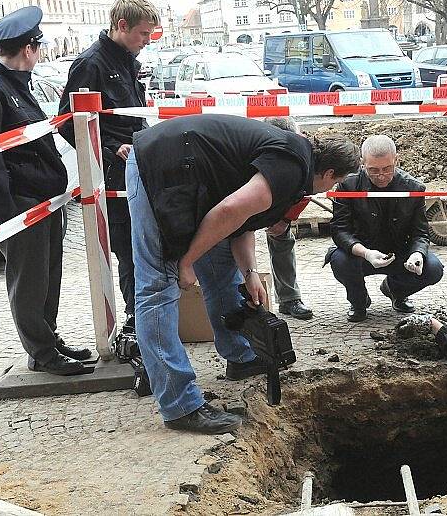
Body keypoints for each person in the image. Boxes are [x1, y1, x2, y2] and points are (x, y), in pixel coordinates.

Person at [126, 114, 360, 434]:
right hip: (159, 167)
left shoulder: (293, 159)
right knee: (159, 286)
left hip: (189, 171)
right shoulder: (292, 166)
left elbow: (242, 222)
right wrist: (188, 261)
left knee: (222, 266)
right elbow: (230, 211)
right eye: (333, 183)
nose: (329, 189)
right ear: (329, 172)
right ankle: (180, 406)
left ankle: (240, 356)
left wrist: (250, 273)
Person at [0, 7, 91, 375]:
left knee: (47, 275)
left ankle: (48, 338)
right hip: (21, 208)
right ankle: (41, 353)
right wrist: (7, 217)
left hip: (43, 202)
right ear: (29, 49)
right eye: (38, 46)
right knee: (29, 281)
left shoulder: (16, 86)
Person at [58, 0, 160, 335]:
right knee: (129, 251)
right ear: (121, 26)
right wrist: (110, 148)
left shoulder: (127, 60)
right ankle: (137, 323)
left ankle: (147, 317)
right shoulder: (91, 64)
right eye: (144, 33)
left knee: (146, 244)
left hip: (140, 163)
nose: (147, 41)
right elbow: (67, 122)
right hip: (114, 174)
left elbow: (132, 113)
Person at [327, 135, 444, 322]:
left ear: (396, 160)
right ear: (362, 163)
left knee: (433, 268)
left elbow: (420, 232)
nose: (381, 176)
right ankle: (358, 301)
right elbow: (340, 230)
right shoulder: (347, 185)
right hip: (361, 251)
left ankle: (395, 290)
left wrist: (417, 254)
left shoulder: (414, 187)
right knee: (339, 260)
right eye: (373, 170)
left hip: (400, 252)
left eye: (387, 169)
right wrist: (365, 253)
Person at [262, 117, 313, 320]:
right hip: (249, 194)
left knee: (282, 238)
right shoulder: (256, 148)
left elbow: (308, 190)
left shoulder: (305, 153)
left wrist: (284, 219)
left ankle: (289, 298)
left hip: (283, 198)